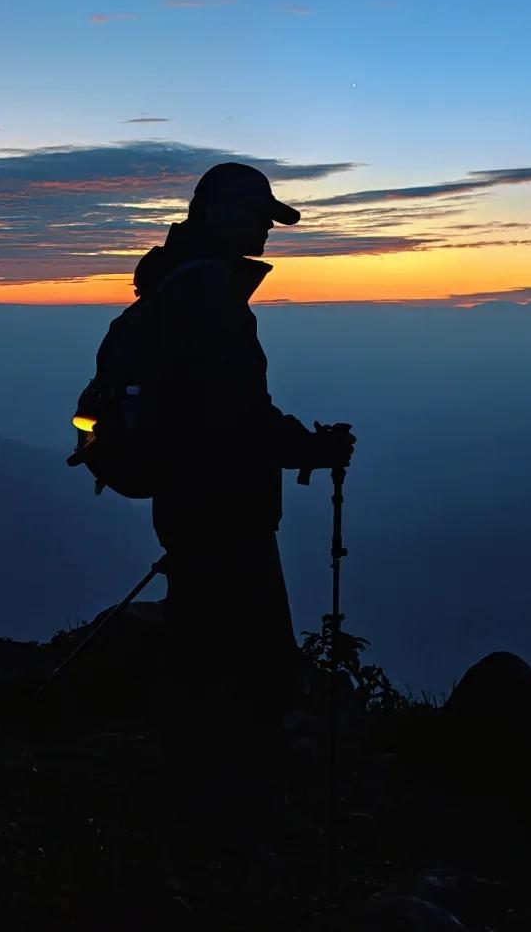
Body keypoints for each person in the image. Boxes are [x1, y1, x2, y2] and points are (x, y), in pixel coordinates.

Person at [131, 162, 355, 861]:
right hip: (225, 510)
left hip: (189, 502)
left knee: (200, 652)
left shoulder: (176, 287)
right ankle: (232, 826)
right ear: (225, 216)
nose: (266, 231)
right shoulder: (210, 300)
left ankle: (192, 807)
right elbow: (238, 417)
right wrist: (312, 449)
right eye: (259, 217)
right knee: (256, 671)